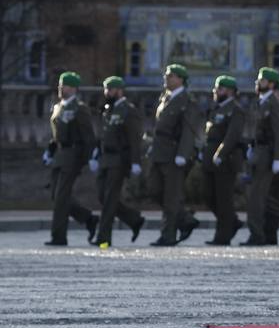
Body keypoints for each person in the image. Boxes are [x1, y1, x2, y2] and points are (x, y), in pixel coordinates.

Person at [147, 63, 201, 246]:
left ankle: (168, 235)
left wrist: (183, 154)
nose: (167, 78)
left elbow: (189, 130)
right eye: (167, 75)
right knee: (154, 189)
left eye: (171, 76)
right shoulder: (166, 98)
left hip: (174, 152)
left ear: (181, 80)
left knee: (171, 196)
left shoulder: (187, 101)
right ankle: (185, 219)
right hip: (159, 151)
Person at [43, 72, 97, 246]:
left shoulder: (79, 108)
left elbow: (88, 135)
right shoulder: (59, 107)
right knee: (56, 195)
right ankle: (88, 218)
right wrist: (50, 151)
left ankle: (58, 237)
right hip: (60, 155)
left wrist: (89, 157)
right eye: (60, 84)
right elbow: (57, 134)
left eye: (64, 85)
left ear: (73, 88)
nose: (60, 88)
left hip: (73, 155)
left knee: (61, 197)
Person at [243, 67, 279, 246]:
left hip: (267, 156)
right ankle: (259, 233)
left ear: (271, 84)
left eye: (262, 80)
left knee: (257, 198)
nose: (258, 83)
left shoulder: (273, 103)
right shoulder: (261, 102)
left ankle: (257, 235)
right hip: (258, 154)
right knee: (255, 197)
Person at [93, 75, 146, 247]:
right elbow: (103, 134)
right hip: (105, 158)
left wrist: (135, 162)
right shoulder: (108, 109)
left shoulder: (128, 110)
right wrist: (95, 152)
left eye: (110, 89)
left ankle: (103, 238)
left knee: (109, 198)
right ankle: (133, 219)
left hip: (119, 159)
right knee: (103, 196)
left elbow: (134, 138)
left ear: (119, 90)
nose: (107, 92)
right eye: (105, 89)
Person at [202, 76, 245, 245]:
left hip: (226, 160)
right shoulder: (216, 109)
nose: (216, 91)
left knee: (223, 199)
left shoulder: (235, 110)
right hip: (210, 159)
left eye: (219, 88)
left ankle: (223, 235)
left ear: (230, 91)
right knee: (209, 196)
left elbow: (232, 135)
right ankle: (232, 221)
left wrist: (221, 153)